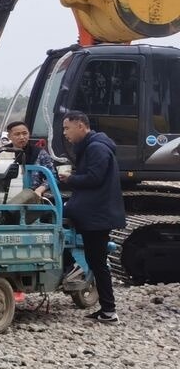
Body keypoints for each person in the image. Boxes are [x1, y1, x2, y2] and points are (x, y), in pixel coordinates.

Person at [59, 111, 126, 323]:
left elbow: (95, 178)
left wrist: (70, 179)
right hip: (94, 212)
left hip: (97, 215)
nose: (65, 133)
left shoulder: (96, 147)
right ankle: (106, 309)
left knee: (97, 262)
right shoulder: (93, 146)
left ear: (81, 126)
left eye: (67, 128)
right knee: (95, 260)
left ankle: (109, 310)